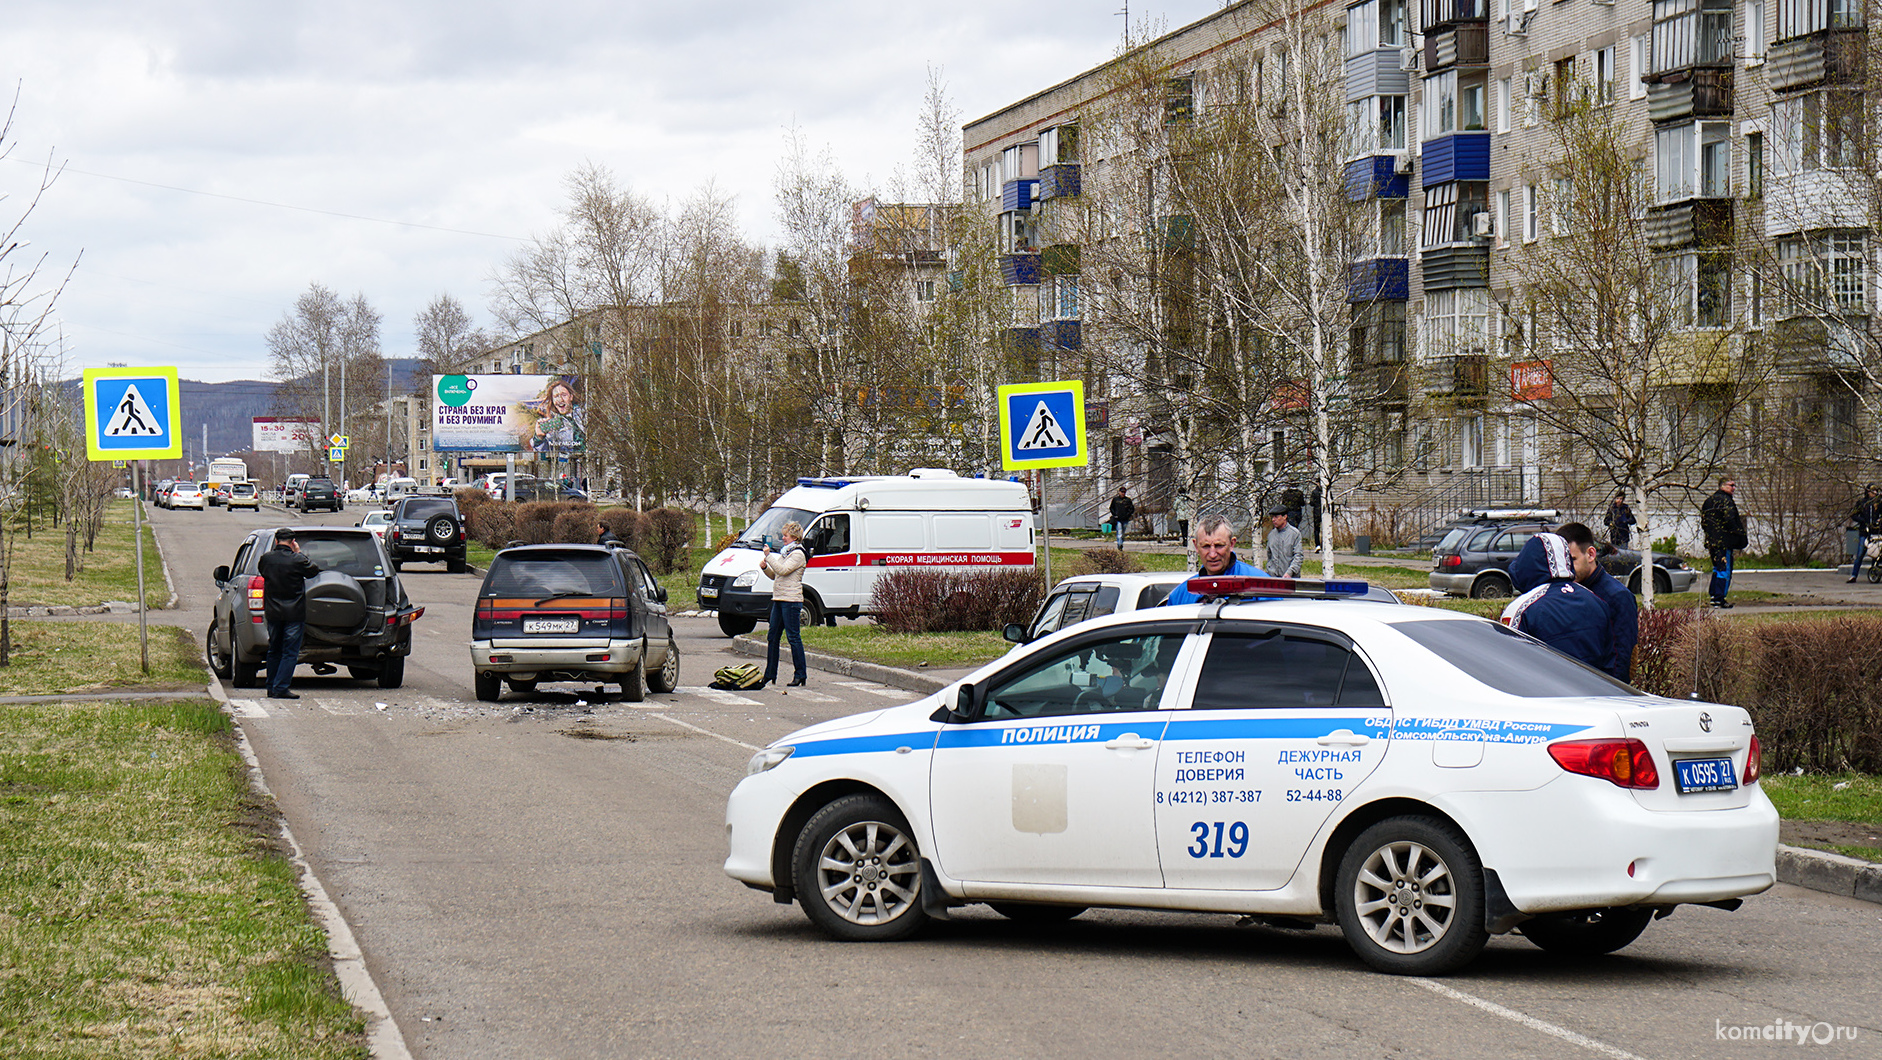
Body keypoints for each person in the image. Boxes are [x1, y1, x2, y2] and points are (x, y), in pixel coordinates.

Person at [1502, 531, 1611, 670]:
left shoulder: (1522, 608)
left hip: (1544, 689)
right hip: (1594, 688)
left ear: (1527, 564)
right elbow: (1608, 661)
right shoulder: (1596, 600)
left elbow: (1509, 662)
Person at [1557, 521, 1639, 682]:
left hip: (1603, 692)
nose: (1567, 568)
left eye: (1572, 560)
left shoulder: (1617, 597)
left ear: (1591, 554)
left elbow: (1622, 659)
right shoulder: (1564, 590)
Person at [258, 527, 322, 700]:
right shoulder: (297, 560)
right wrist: (299, 552)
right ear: (293, 542)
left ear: (276, 541)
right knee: (290, 651)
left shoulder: (266, 559)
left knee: (274, 649)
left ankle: (271, 687)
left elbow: (263, 572)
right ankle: (281, 687)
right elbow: (313, 570)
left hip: (273, 611)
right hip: (294, 612)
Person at [1163, 515, 1269, 606]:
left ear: (1232, 544)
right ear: (1195, 545)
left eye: (1219, 546)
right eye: (1206, 546)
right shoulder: (1180, 595)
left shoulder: (1261, 587)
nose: (1212, 554)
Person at [761, 521, 809, 687]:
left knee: (793, 637)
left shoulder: (798, 554)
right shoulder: (786, 552)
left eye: (786, 535)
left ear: (794, 537)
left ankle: (800, 674)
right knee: (772, 636)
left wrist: (768, 556)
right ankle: (770, 673)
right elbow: (775, 574)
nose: (783, 538)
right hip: (780, 599)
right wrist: (765, 568)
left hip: (791, 601)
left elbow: (783, 570)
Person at [1700, 477, 1746, 609]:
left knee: (1717, 568)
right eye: (1731, 485)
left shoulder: (1709, 501)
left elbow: (1704, 522)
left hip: (1712, 542)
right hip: (1724, 542)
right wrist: (1738, 534)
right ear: (1723, 486)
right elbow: (1731, 520)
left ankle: (1714, 595)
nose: (1734, 488)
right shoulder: (1726, 501)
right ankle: (1719, 597)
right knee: (1724, 569)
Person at [1849, 485, 1879, 583]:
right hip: (1864, 532)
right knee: (1860, 553)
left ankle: (1875, 574)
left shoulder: (1879, 503)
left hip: (1876, 532)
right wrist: (1863, 521)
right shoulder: (1862, 503)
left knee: (1876, 554)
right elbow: (1853, 515)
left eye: (1875, 491)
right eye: (1872, 491)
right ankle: (1854, 575)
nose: (1874, 493)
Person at [1264, 505, 1303, 578]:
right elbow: (1269, 556)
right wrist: (1270, 571)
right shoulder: (1271, 535)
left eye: (1276, 517)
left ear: (1285, 517)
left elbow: (1298, 556)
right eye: (1272, 517)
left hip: (1290, 578)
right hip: (1274, 578)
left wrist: (1290, 572)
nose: (1273, 520)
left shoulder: (1294, 534)